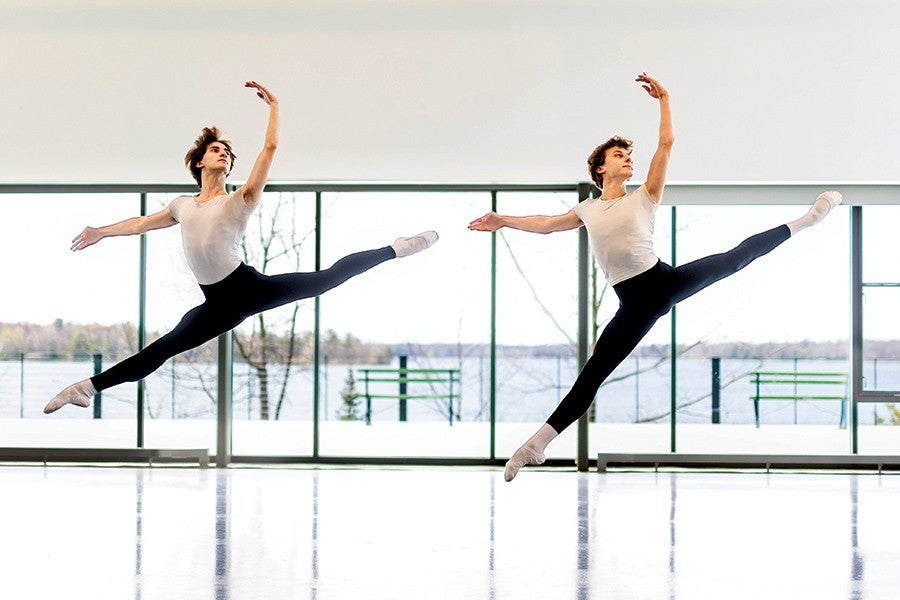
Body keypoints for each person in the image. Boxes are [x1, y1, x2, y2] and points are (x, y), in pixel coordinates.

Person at [468, 72, 841, 481]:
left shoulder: (645, 195)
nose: (628, 159)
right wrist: (503, 219)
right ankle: (536, 444)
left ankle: (808, 219)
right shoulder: (587, 209)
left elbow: (666, 144)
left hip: (663, 282)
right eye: (619, 155)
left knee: (735, 259)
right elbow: (547, 223)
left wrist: (664, 99)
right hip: (633, 305)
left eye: (629, 156)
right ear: (599, 167)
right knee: (593, 374)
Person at [45, 81, 438, 414]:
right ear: (199, 162)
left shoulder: (239, 201)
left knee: (328, 278)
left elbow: (268, 150)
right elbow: (142, 224)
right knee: (161, 349)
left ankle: (397, 248)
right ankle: (86, 388)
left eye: (229, 154)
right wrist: (101, 231)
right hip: (215, 304)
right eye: (217, 150)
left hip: (248, 288)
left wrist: (275, 107)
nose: (225, 155)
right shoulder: (182, 205)